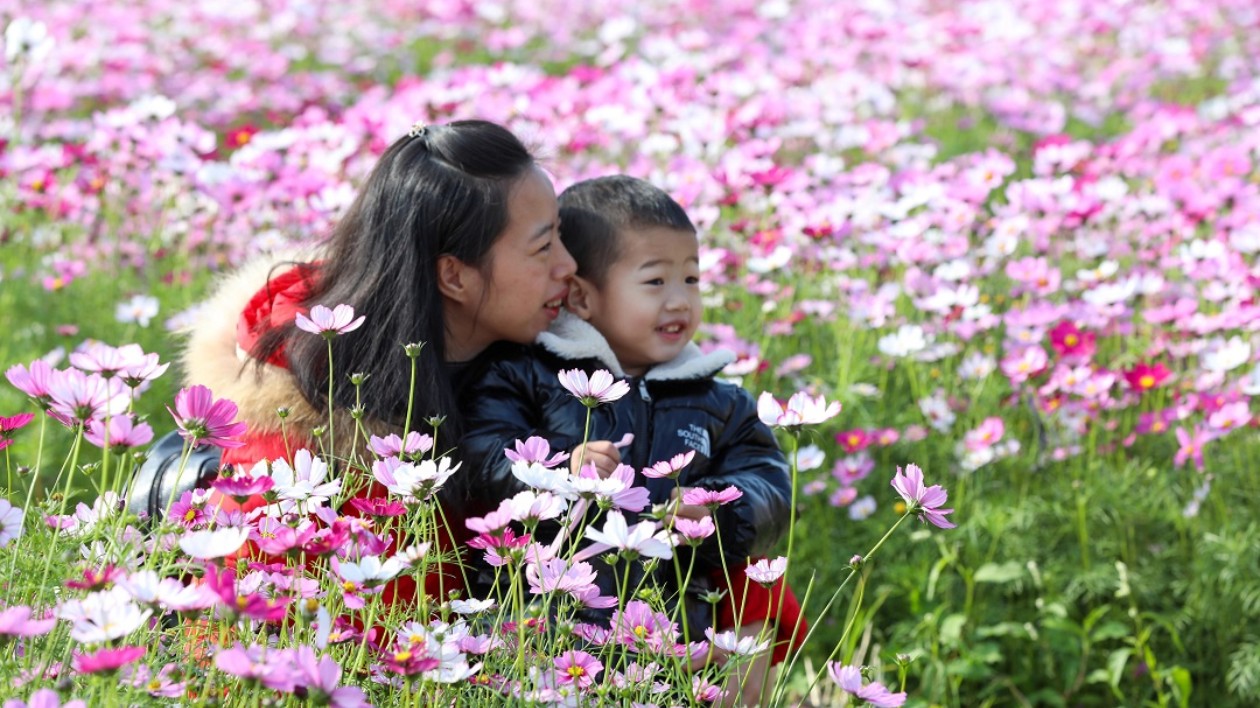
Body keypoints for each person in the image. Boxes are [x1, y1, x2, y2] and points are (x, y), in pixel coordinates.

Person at [178, 119, 577, 607]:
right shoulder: (291, 456)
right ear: (454, 276)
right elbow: (232, 631)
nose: (569, 266)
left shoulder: (558, 358)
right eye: (543, 247)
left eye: (561, 235)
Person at [457, 175, 804, 704]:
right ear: (581, 297)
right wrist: (560, 471)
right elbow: (483, 454)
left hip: (673, 646)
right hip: (538, 640)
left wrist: (722, 511)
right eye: (655, 281)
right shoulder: (526, 372)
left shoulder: (721, 401)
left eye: (691, 278)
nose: (680, 301)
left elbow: (772, 484)